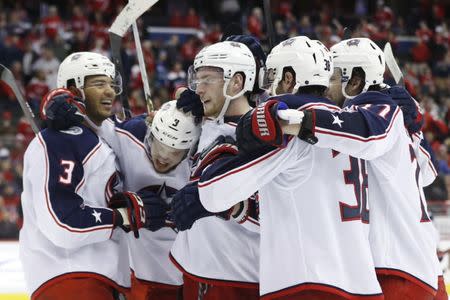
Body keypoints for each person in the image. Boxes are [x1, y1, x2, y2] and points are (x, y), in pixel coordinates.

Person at [184, 36, 384, 299]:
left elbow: (213, 192)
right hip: (364, 286)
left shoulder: (286, 129)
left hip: (307, 286)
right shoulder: (346, 128)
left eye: (272, 77)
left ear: (289, 79)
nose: (267, 88)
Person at [20, 52, 156, 300]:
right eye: (98, 84)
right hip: (70, 277)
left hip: (102, 277)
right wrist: (121, 216)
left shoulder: (101, 135)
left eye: (111, 84)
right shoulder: (58, 139)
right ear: (74, 89)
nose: (109, 92)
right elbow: (62, 224)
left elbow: (130, 130)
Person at [169, 39, 262, 300]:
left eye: (208, 79)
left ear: (237, 83)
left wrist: (231, 205)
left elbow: (274, 216)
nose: (199, 89)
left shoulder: (261, 139)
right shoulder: (207, 124)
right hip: (197, 272)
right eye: (197, 80)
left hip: (237, 279)